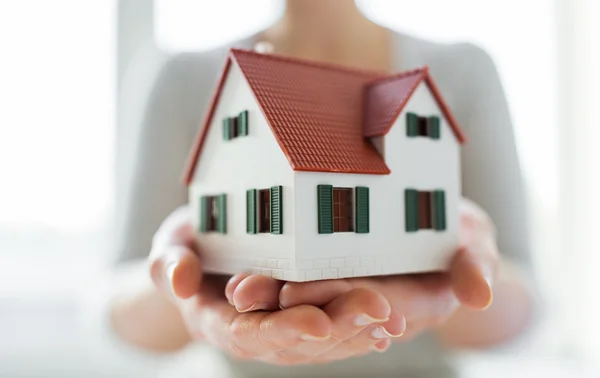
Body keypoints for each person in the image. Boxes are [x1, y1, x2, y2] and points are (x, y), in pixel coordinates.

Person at [109, 0, 535, 376]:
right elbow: (117, 306)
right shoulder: (184, 79)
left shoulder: (462, 71)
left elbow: (525, 298)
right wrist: (189, 276)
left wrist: (453, 279)